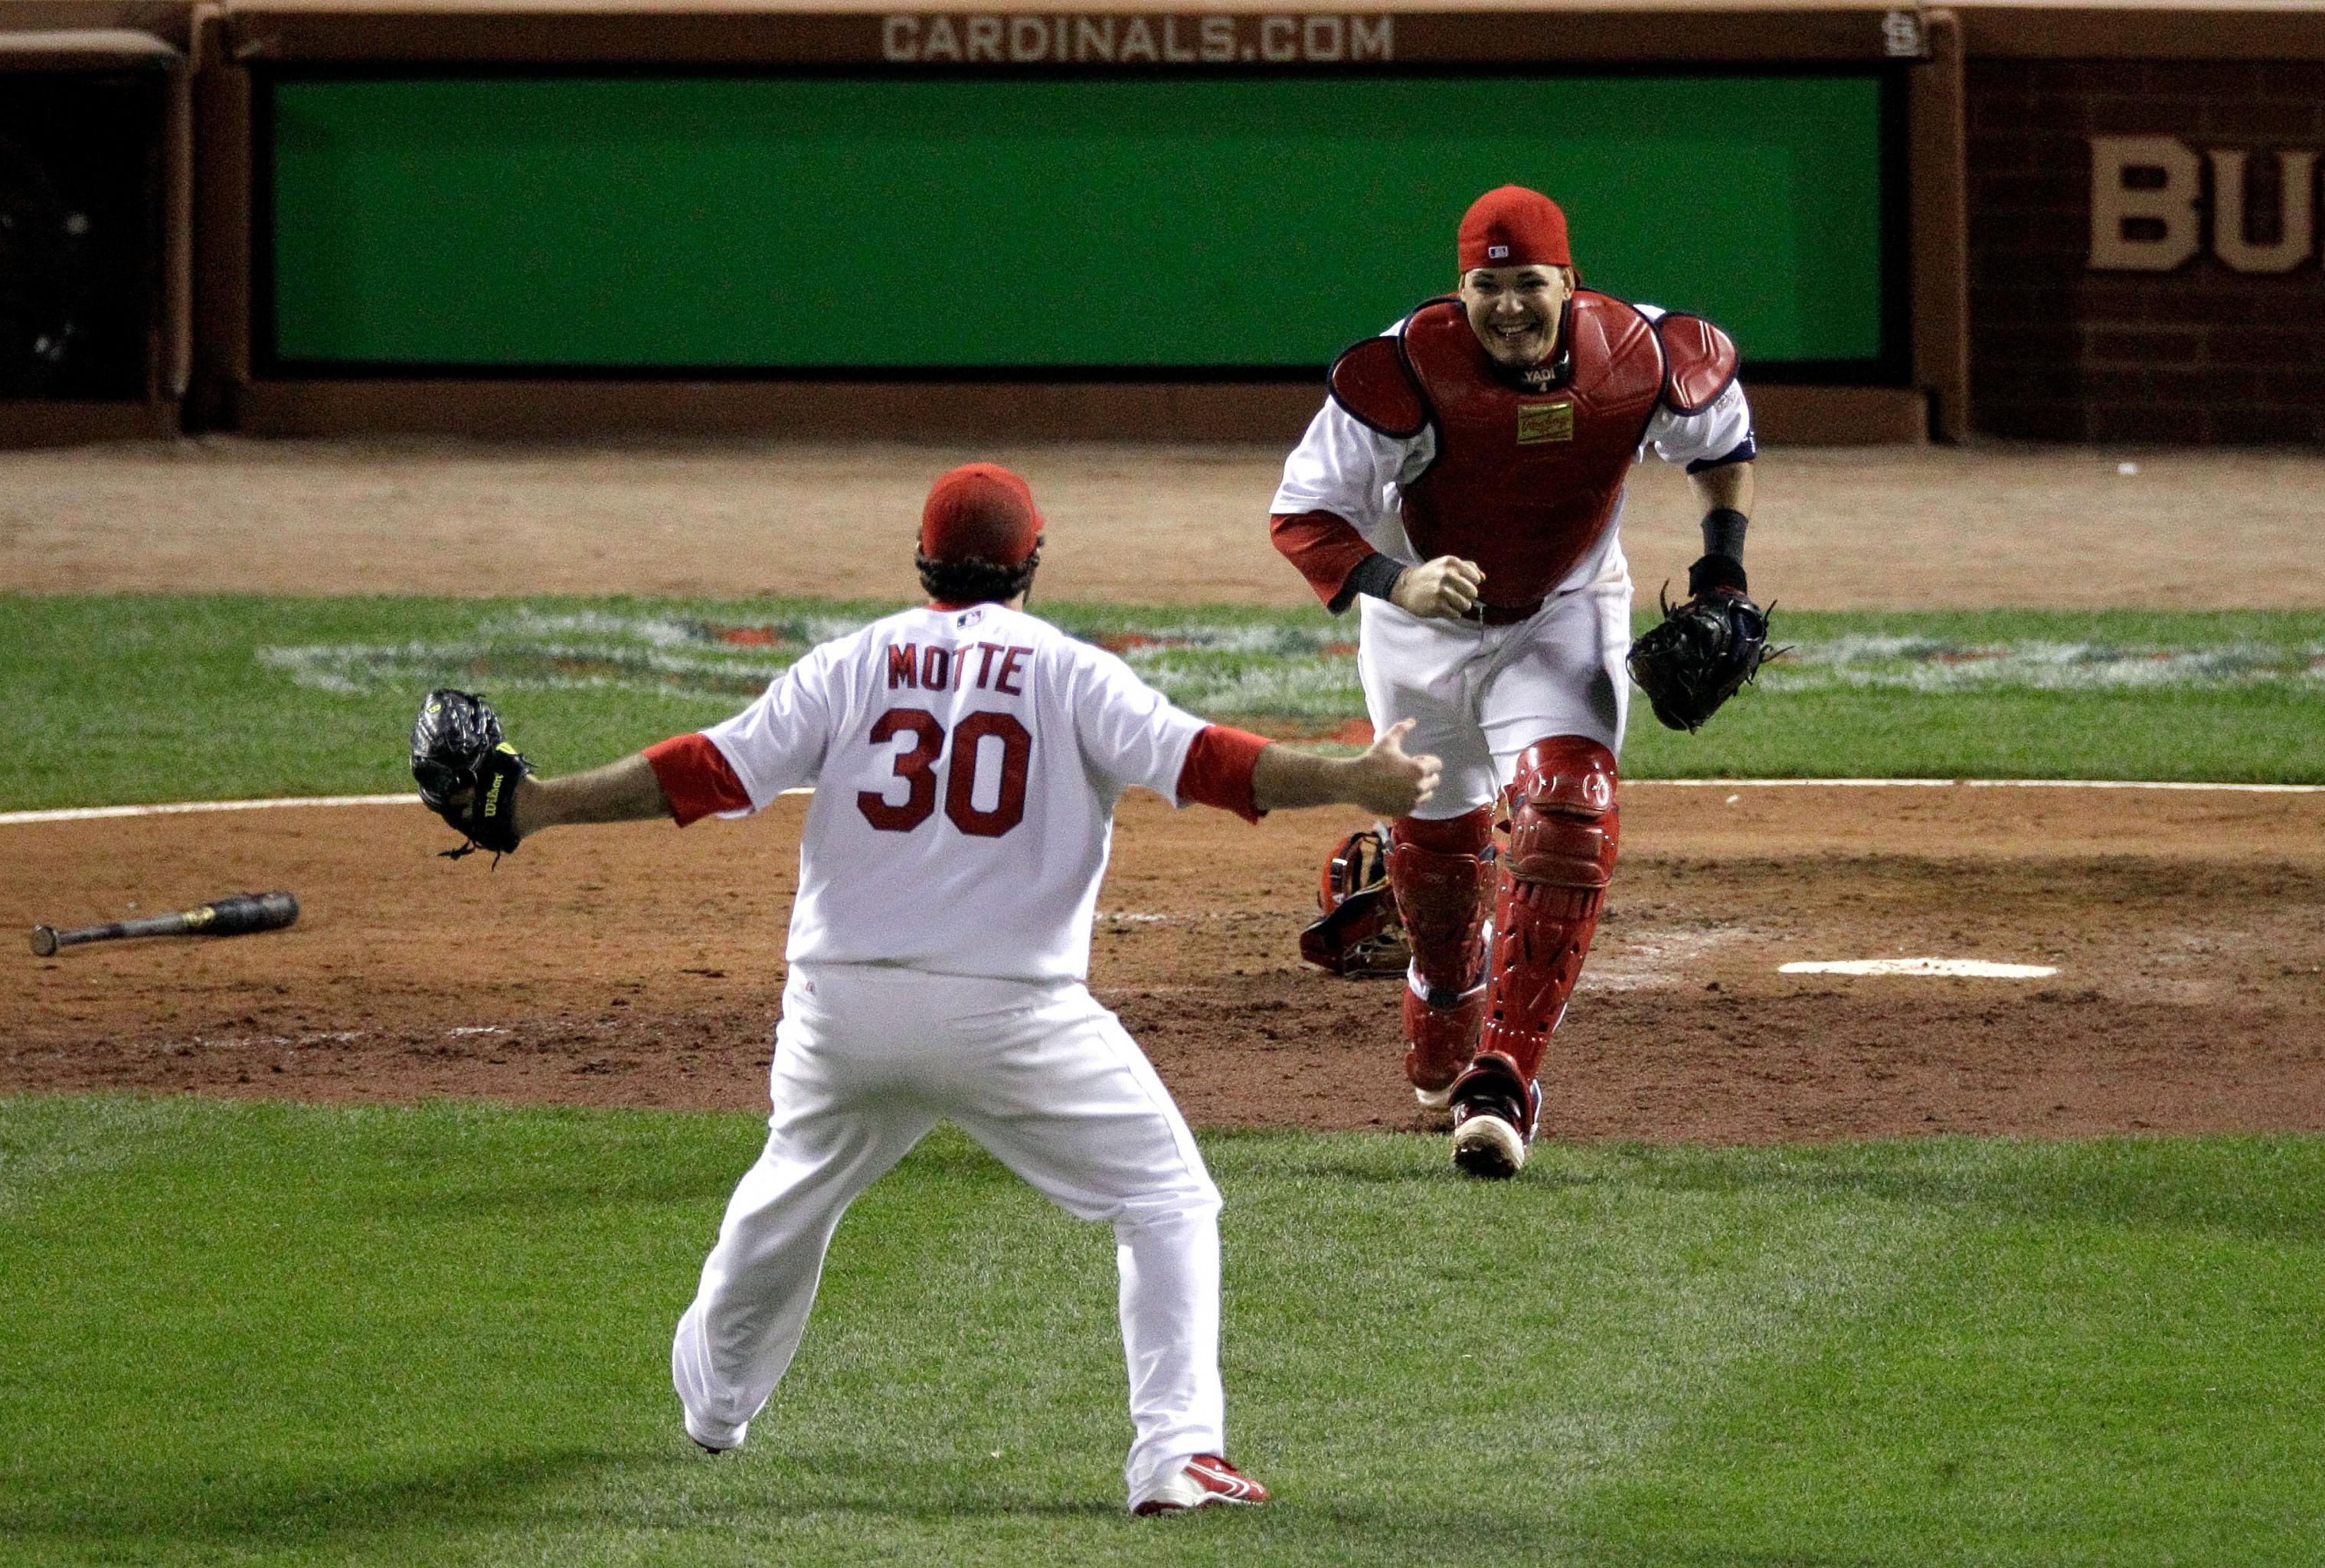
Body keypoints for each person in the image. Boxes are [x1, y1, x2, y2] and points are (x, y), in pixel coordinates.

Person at [466, 462, 1439, 1515]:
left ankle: (714, 1411)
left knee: (791, 1192)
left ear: (924, 560)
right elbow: (1211, 764)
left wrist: (536, 805)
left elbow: (709, 769)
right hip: (1012, 1014)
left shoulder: (851, 662)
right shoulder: (1070, 671)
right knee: (1164, 1198)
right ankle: (1175, 1454)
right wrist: (1349, 777)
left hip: (841, 1007)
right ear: (1033, 562)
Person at [1267, 185, 1760, 1179]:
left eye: (1527, 283)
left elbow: (1721, 445)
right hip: (1420, 631)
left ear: (1567, 283)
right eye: (1486, 286)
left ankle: (1507, 1078)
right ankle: (1446, 983)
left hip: (1566, 608)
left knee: (1571, 805)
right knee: (1443, 871)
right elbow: (1305, 519)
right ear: (1460, 290)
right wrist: (1399, 576)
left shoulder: (1647, 353)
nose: (1508, 306)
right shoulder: (1403, 373)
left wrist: (1722, 568)